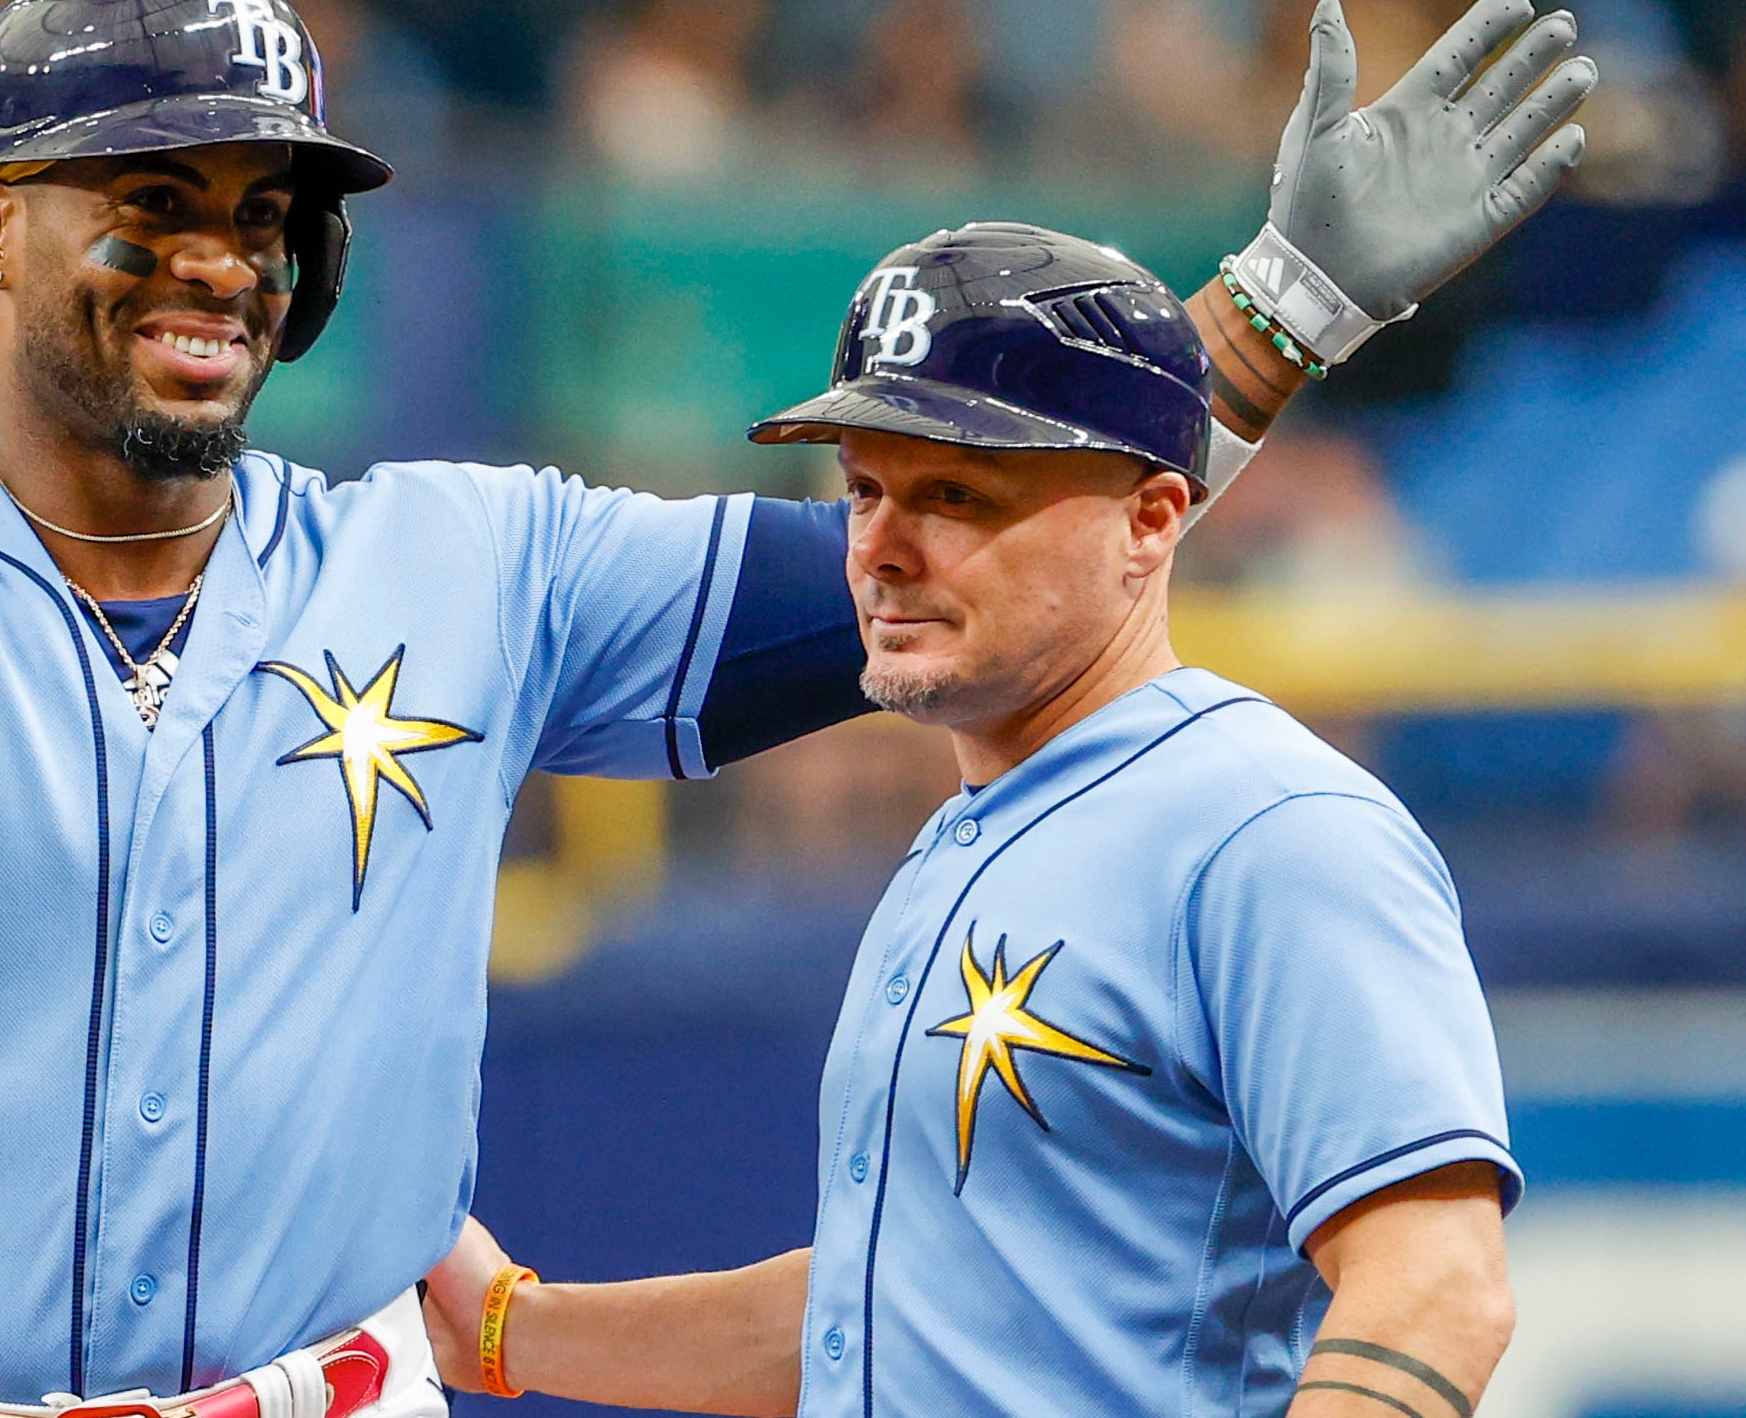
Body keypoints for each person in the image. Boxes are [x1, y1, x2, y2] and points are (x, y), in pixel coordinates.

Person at [0, 0, 1587, 1418]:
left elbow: (977, 523)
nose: (226, 256)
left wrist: (1267, 316)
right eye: (163, 201)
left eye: (269, 214)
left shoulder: (469, 558)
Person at [418, 226, 1522, 1418]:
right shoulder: (982, 829)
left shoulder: (1269, 827)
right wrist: (513, 1332)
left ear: (1152, 521)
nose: (882, 549)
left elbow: (1437, 1286)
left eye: (955, 492)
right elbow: (886, 1319)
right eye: (865, 489)